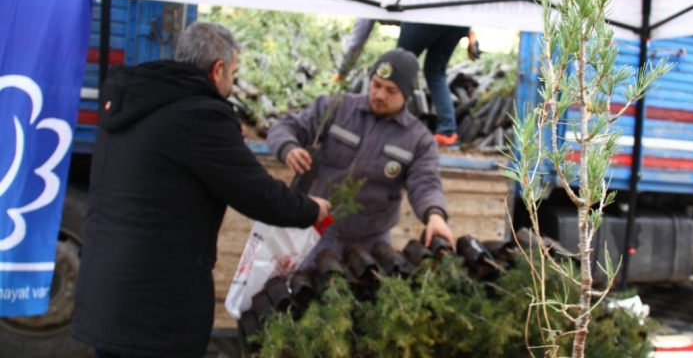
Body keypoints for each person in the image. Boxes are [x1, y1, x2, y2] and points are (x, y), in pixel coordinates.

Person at [70, 22, 331, 358]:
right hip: (156, 306)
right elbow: (254, 191)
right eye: (233, 73)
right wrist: (310, 209)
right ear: (217, 69)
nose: (232, 84)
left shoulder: (128, 103)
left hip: (106, 293)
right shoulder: (200, 114)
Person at [267, 48, 456, 269]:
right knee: (304, 289)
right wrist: (288, 148)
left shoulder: (418, 140)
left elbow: (426, 183)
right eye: (376, 85)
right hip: (317, 230)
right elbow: (285, 127)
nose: (379, 95)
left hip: (372, 241)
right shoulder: (336, 108)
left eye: (390, 90)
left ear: (407, 94)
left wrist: (434, 215)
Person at [397, 22, 476, 147]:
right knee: (435, 71)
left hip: (425, 15)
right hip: (459, 20)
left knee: (398, 63)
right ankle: (447, 134)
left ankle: (390, 124)